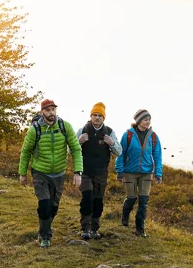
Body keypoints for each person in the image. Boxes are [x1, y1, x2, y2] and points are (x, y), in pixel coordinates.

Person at [19, 99, 83, 248]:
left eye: (53, 109)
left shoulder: (64, 126)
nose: (51, 112)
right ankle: (45, 236)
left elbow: (76, 149)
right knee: (45, 205)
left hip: (59, 174)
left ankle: (44, 229)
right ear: (42, 112)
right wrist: (22, 173)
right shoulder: (35, 129)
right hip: (40, 172)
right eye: (48, 110)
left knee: (53, 208)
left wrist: (77, 172)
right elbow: (26, 151)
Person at [75, 102, 122, 240]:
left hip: (101, 172)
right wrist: (79, 141)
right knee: (87, 197)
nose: (96, 118)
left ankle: (95, 228)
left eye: (99, 116)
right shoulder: (83, 130)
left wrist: (111, 143)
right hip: (85, 172)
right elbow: (70, 149)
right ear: (91, 116)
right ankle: (85, 228)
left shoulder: (109, 132)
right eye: (94, 115)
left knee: (98, 200)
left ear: (104, 118)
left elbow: (119, 151)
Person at [115, 109, 163, 238]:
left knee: (144, 200)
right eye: (145, 119)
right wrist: (120, 171)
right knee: (131, 198)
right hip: (130, 172)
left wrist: (158, 173)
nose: (148, 122)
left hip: (146, 173)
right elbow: (121, 153)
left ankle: (139, 229)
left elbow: (157, 155)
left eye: (149, 120)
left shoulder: (153, 136)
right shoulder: (128, 135)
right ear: (138, 121)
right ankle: (125, 216)